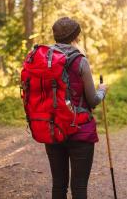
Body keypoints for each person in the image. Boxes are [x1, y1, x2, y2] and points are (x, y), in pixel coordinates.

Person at [45, 17, 107, 199]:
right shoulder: (80, 61)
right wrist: (102, 91)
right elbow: (93, 100)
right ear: (75, 36)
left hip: (53, 128)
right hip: (79, 131)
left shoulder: (45, 59)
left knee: (58, 186)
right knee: (79, 187)